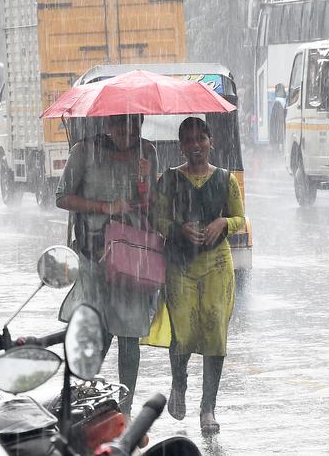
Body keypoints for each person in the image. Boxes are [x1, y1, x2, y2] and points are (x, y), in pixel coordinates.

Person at [56, 113, 159, 413]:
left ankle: (125, 408)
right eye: (120, 127)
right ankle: (85, 401)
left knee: (129, 333)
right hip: (93, 254)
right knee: (96, 330)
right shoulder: (83, 151)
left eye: (134, 127)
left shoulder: (147, 152)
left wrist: (145, 180)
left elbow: (152, 203)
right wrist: (104, 207)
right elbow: (62, 197)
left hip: (132, 255)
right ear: (109, 126)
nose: (128, 134)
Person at [153, 117, 243, 436]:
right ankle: (179, 385)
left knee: (215, 332)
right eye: (189, 140)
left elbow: (240, 218)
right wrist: (179, 229)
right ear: (181, 146)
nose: (196, 146)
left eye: (201, 138)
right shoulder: (169, 180)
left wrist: (224, 224)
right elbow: (158, 219)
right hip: (180, 264)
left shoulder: (226, 179)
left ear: (210, 141)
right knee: (185, 332)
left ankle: (208, 408)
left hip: (218, 263)